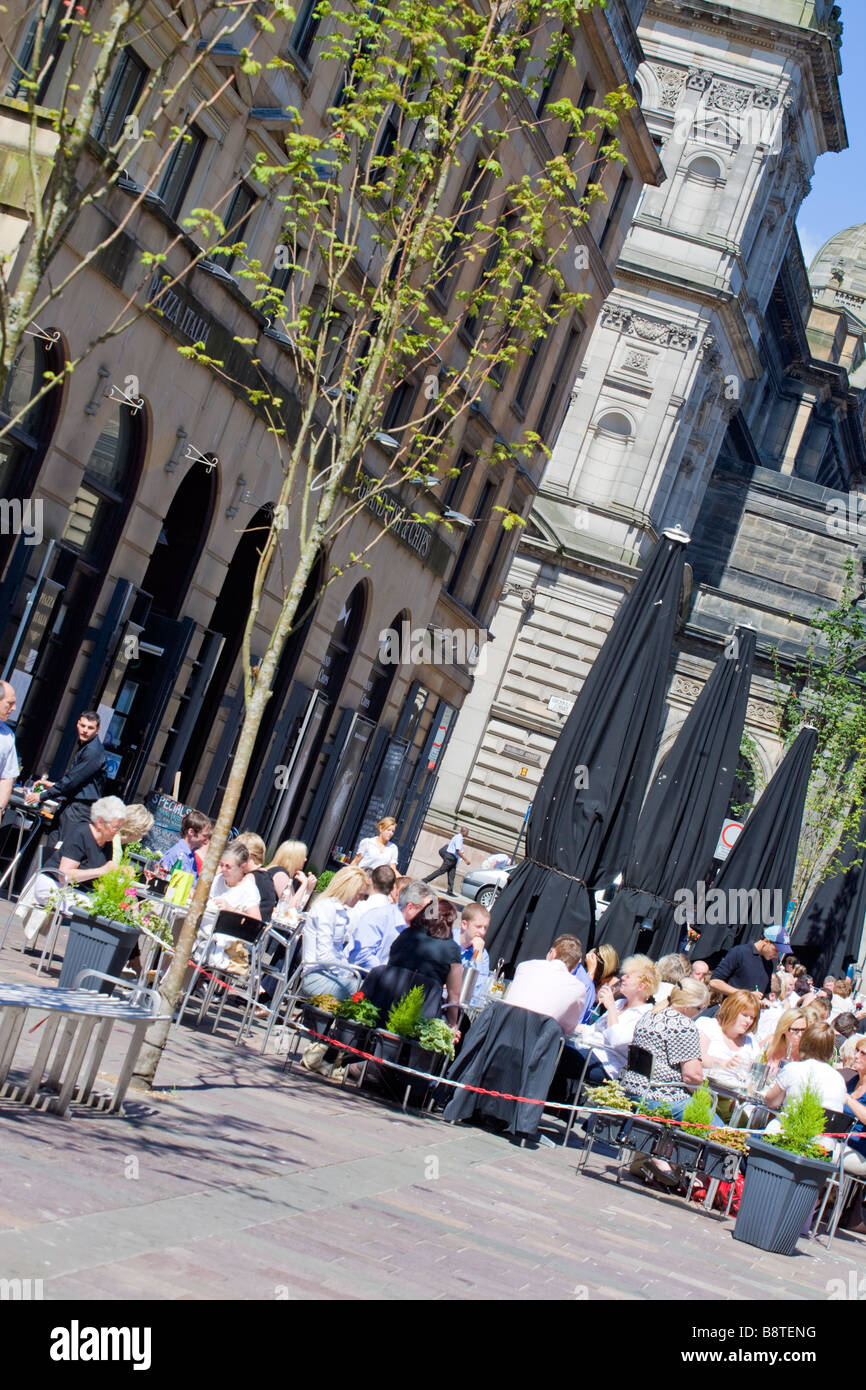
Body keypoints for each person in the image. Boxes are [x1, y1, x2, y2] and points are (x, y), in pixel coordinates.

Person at [27, 796, 127, 941]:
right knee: (101, 913)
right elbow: (64, 875)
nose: (117, 832)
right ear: (100, 822)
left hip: (79, 891)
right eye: (115, 827)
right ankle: (81, 956)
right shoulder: (81, 834)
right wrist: (103, 871)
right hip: (53, 886)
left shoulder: (107, 842)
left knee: (117, 911)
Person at [620, 978, 710, 1119]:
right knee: (719, 1129)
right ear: (687, 1006)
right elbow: (692, 1076)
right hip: (660, 1096)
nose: (700, 1013)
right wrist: (704, 1096)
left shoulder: (651, 1014)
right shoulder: (683, 1025)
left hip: (630, 1088)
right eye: (700, 1008)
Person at [570, 955, 658, 1083]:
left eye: (628, 976)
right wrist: (570, 1026)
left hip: (606, 1064)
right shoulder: (620, 1003)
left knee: (560, 1055)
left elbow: (615, 1041)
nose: (622, 978)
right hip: (586, 1047)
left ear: (641, 986)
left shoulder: (644, 1016)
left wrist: (610, 1007)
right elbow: (594, 1030)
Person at [25, 709, 106, 841]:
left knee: (60, 849)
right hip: (72, 806)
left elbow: (72, 781)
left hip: (79, 810)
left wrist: (42, 796)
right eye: (83, 725)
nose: (85, 730)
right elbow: (78, 781)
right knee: (53, 844)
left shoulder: (93, 751)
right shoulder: (86, 747)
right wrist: (53, 785)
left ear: (97, 730)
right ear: (77, 724)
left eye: (90, 727)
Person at [387, 894, 463, 1031]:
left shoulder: (406, 934)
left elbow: (390, 964)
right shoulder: (452, 949)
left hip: (387, 1002)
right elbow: (454, 996)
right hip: (423, 1016)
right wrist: (453, 1025)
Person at [300, 865, 369, 1000]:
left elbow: (336, 952)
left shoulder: (338, 911)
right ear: (349, 889)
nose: (360, 899)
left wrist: (348, 972)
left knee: (369, 989)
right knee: (368, 992)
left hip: (328, 973)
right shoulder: (326, 908)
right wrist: (347, 973)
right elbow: (325, 955)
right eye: (359, 894)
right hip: (316, 975)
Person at [193, 843, 262, 972]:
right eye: (221, 865)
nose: (223, 869)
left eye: (228, 867)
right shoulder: (217, 880)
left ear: (242, 867)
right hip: (202, 932)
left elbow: (256, 921)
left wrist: (231, 910)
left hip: (227, 940)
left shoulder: (248, 889)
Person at [504, 934, 587, 1035]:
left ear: (552, 953)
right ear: (576, 965)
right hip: (536, 1045)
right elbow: (567, 1029)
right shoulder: (578, 989)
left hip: (503, 1032)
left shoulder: (524, 966)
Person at [763, 1022, 848, 1116]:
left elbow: (771, 1102)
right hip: (823, 1129)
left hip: (791, 1127)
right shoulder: (839, 1079)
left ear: (804, 1042)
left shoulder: (793, 1069)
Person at [346, 869, 421, 971]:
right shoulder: (379, 914)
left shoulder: (411, 925)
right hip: (358, 973)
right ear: (395, 891)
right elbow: (361, 954)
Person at [708, 924, 789, 999]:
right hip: (731, 1010)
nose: (776, 956)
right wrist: (746, 995)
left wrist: (765, 1001)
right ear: (766, 941)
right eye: (776, 950)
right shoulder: (740, 952)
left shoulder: (769, 964)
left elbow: (765, 994)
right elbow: (714, 982)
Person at [697, 989, 760, 1079]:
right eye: (745, 1015)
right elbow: (699, 1058)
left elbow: (753, 1076)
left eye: (752, 1018)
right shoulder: (708, 1025)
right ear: (731, 1009)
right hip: (703, 1087)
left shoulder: (751, 1044)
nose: (748, 1021)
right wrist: (725, 1063)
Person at [234, 831, 278, 922]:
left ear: (249, 855)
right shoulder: (266, 875)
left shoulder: (250, 879)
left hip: (247, 930)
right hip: (260, 930)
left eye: (237, 853)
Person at [155, 809, 212, 878]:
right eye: (204, 836)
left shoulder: (191, 857)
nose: (206, 842)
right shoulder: (174, 855)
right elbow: (161, 881)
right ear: (191, 832)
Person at [453, 902, 490, 1005]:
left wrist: (477, 954)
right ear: (464, 924)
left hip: (460, 1006)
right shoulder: (447, 939)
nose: (482, 932)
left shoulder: (482, 953)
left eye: (485, 928)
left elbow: (478, 991)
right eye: (478, 926)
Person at [264, 840, 317, 911]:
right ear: (293, 857)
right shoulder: (280, 874)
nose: (305, 859)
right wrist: (304, 883)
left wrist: (309, 889)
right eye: (302, 856)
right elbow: (290, 909)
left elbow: (297, 909)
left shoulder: (284, 874)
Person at [422, 826, 470, 894]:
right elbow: (458, 850)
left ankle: (450, 891)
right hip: (450, 857)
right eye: (467, 832)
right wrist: (466, 860)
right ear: (463, 832)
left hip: (453, 858)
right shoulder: (459, 838)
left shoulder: (458, 837)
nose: (468, 834)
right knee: (441, 871)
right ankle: (424, 880)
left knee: (452, 874)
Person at [760, 1008, 808, 1075]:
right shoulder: (770, 1042)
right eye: (795, 1030)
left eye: (803, 1030)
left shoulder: (805, 1054)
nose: (800, 1034)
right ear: (784, 1029)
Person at [580, 943, 619, 1024]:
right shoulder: (595, 981)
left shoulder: (617, 988)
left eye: (595, 965)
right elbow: (578, 997)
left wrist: (591, 972)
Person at [0, 681, 20, 812]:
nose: (14, 708)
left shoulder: (8, 736)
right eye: (10, 703)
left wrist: (0, 809)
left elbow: (7, 778)